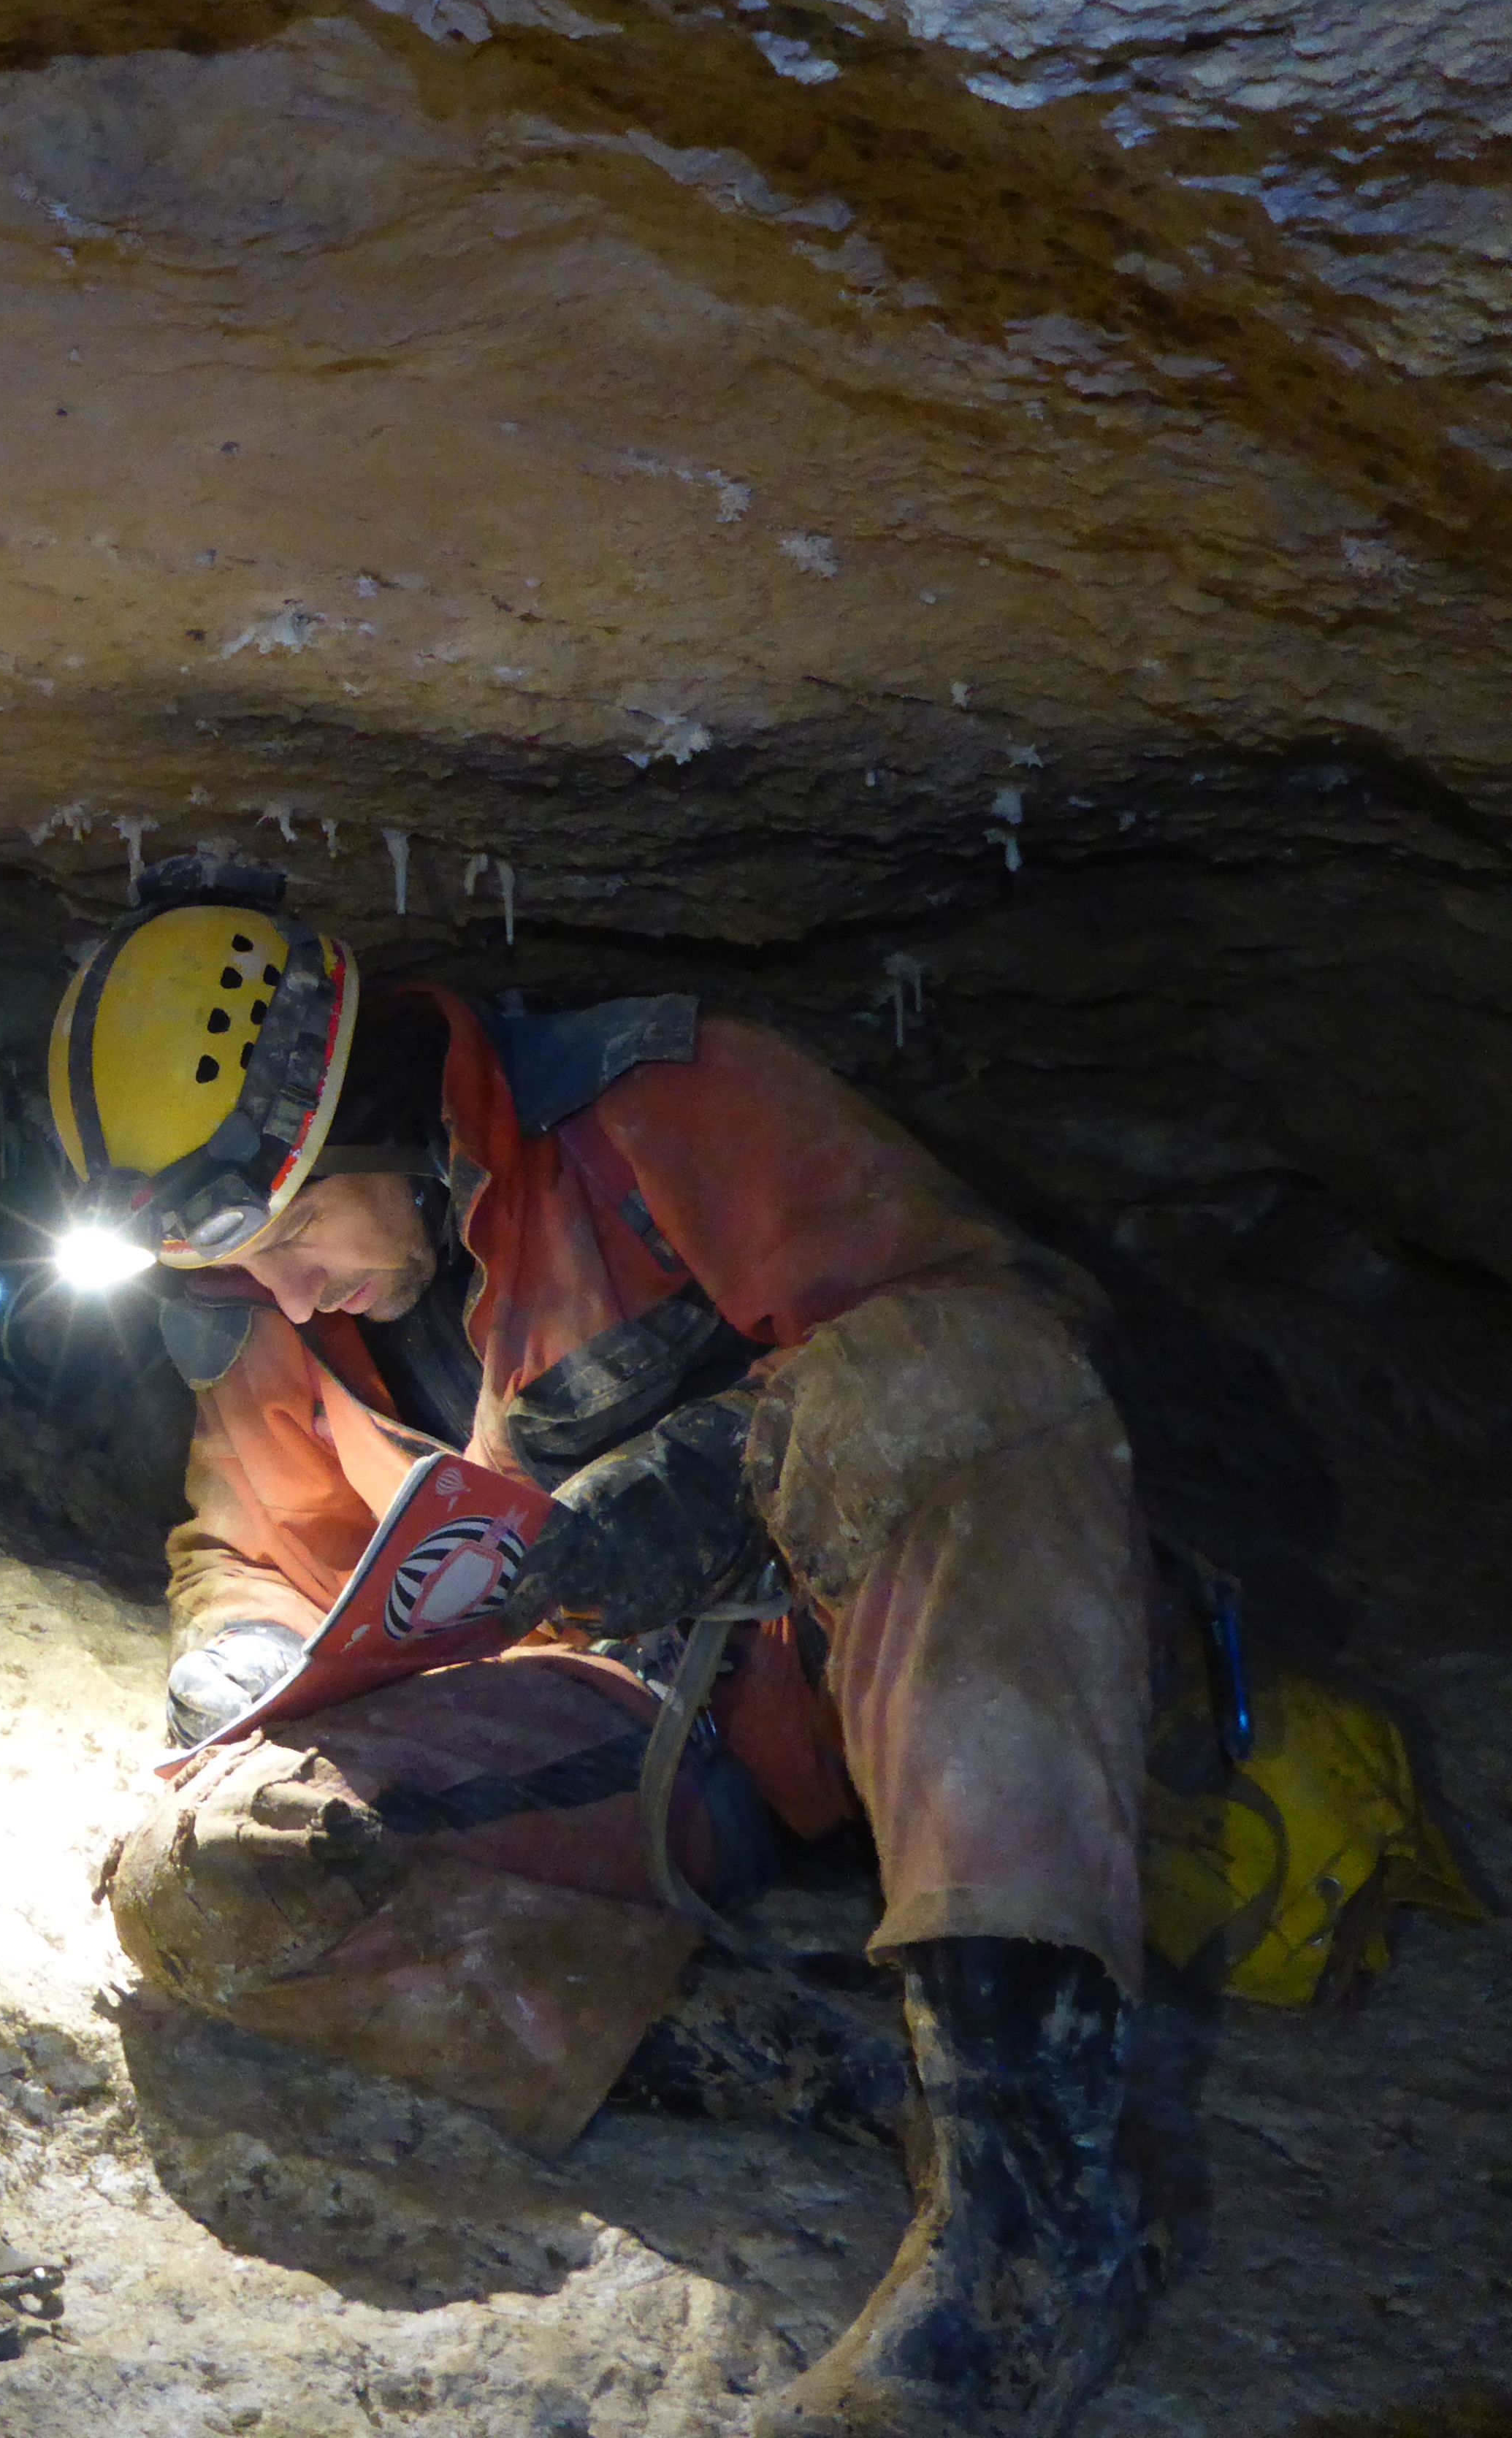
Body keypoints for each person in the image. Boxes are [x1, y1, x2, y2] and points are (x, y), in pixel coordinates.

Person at [58, 870, 1152, 2438]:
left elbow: (1012, 1342)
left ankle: (1032, 2224)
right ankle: (838, 2067)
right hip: (649, 1734)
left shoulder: (659, 1105)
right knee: (209, 1876)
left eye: (298, 1232)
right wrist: (238, 1646)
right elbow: (249, 1539)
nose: (286, 1293)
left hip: (894, 1668)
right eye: (241, 1275)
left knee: (940, 1377)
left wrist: (726, 1466)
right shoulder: (273, 1319)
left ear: (387, 1113)